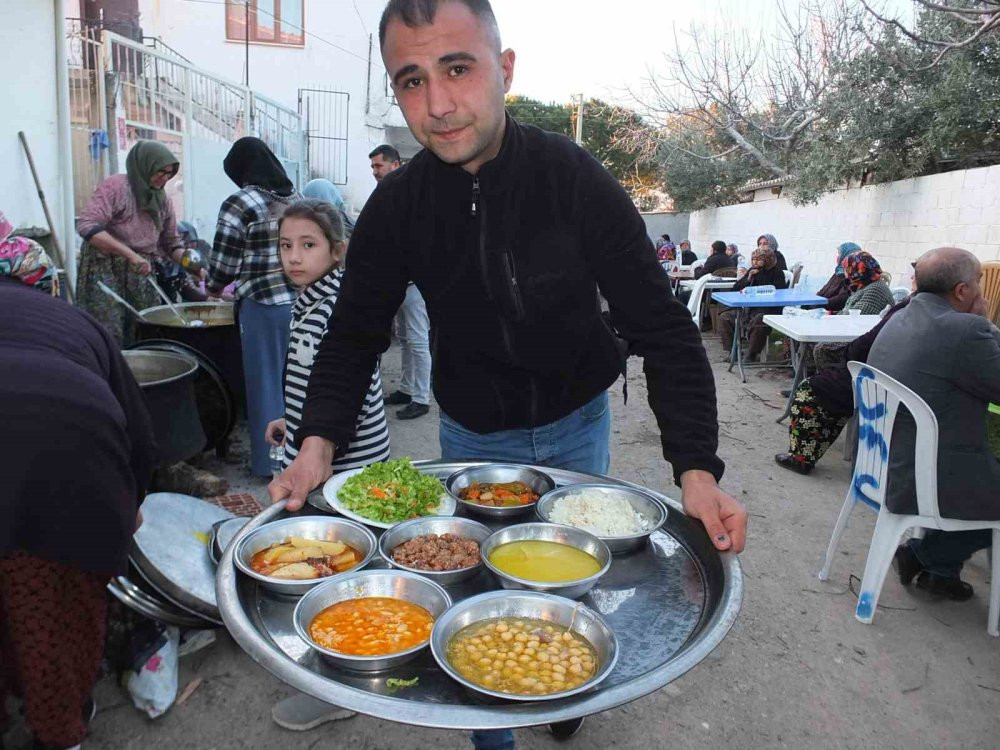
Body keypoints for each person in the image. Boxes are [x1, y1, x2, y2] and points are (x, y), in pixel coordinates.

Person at [270, 2, 747, 746]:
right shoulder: (397, 207)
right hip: (472, 435)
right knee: (475, 588)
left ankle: (564, 692)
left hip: (577, 424)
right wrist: (315, 445)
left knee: (566, 573)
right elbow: (353, 336)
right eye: (412, 80)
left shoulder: (572, 178)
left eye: (458, 68)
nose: (437, 103)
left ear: (505, 69)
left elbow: (662, 327)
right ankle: (490, 733)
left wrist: (696, 468)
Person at [0, 217, 157, 750]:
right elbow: (139, 434)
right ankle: (59, 726)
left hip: (52, 452)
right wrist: (131, 499)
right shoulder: (73, 319)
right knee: (50, 607)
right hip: (67, 464)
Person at [263, 199, 389, 732]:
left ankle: (341, 682)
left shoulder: (337, 307)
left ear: (337, 252)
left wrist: (313, 449)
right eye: (286, 246)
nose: (294, 257)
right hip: (318, 456)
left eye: (308, 245)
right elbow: (312, 385)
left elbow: (346, 395)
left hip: (346, 467)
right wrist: (289, 421)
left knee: (340, 571)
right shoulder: (308, 300)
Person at [867, 247, 1000, 600]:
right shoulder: (965, 329)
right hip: (928, 478)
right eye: (978, 282)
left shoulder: (900, 315)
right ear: (962, 290)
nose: (981, 290)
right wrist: (987, 323)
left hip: (886, 465)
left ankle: (940, 571)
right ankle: (925, 555)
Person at [207, 137, 300, 477]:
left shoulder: (241, 202)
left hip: (262, 306)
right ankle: (298, 458)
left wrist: (213, 285)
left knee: (265, 386)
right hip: (300, 303)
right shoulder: (294, 198)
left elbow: (225, 261)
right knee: (296, 383)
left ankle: (269, 464)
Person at [75, 140, 200, 344]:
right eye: (160, 171)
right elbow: (87, 225)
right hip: (105, 268)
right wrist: (129, 254)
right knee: (109, 330)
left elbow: (171, 244)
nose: (164, 178)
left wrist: (193, 266)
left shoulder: (162, 201)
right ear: (144, 165)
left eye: (169, 174)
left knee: (143, 326)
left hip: (140, 272)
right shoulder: (116, 187)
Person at [774, 296, 911, 475]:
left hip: (881, 383)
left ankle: (801, 458)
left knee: (811, 388)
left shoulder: (900, 306)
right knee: (828, 364)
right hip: (898, 382)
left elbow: (862, 344)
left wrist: (824, 304)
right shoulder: (921, 310)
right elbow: (827, 295)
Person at [369, 145, 433, 420]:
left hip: (414, 283)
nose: (375, 172)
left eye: (378, 166)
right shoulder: (387, 193)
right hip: (398, 283)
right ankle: (407, 390)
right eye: (373, 167)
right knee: (406, 339)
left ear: (395, 165)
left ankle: (421, 398)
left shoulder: (411, 194)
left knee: (417, 340)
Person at [717, 245, 789, 361]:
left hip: (767, 310)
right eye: (753, 259)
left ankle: (751, 354)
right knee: (726, 317)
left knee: (759, 320)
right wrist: (748, 278)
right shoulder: (752, 271)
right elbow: (736, 288)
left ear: (767, 259)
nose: (755, 262)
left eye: (758, 259)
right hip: (748, 309)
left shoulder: (777, 273)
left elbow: (777, 292)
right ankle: (733, 351)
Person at [815, 241, 859, 312]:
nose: (838, 257)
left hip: (830, 311)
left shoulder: (852, 276)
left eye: (840, 254)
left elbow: (842, 299)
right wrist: (813, 300)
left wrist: (819, 304)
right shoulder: (838, 272)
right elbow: (824, 290)